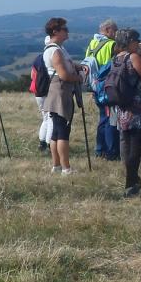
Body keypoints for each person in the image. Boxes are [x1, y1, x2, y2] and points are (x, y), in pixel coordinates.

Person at [111, 28, 141, 196]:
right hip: (138, 110)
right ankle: (130, 184)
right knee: (136, 149)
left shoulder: (117, 58)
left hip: (123, 109)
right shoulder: (133, 58)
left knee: (129, 146)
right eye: (136, 41)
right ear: (130, 42)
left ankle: (133, 180)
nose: (138, 43)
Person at [42, 17, 85, 175]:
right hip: (61, 92)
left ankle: (57, 165)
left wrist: (76, 66)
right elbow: (64, 75)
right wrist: (79, 78)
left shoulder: (55, 48)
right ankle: (66, 168)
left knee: (56, 132)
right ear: (55, 32)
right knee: (63, 131)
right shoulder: (56, 51)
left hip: (56, 92)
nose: (67, 32)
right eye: (64, 29)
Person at [85, 19, 120, 161]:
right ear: (107, 30)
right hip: (107, 86)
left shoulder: (92, 44)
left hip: (95, 85)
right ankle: (111, 152)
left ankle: (100, 149)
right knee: (110, 120)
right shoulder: (111, 45)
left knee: (102, 119)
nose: (116, 33)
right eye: (115, 30)